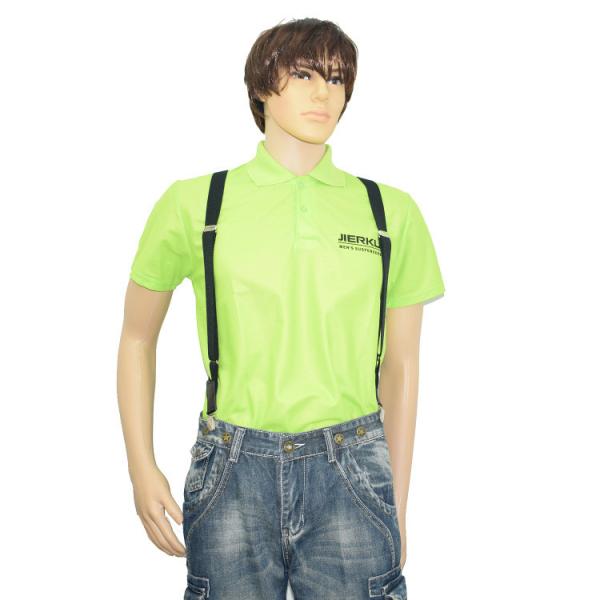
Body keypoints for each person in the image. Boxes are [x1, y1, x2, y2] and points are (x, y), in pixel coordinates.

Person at [117, 17, 445, 600]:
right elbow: (137, 337)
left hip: (353, 467)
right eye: (304, 75)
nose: (325, 93)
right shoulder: (196, 204)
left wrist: (394, 502)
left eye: (337, 79)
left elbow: (401, 367)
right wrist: (141, 466)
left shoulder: (389, 213)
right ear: (262, 86)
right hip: (231, 467)